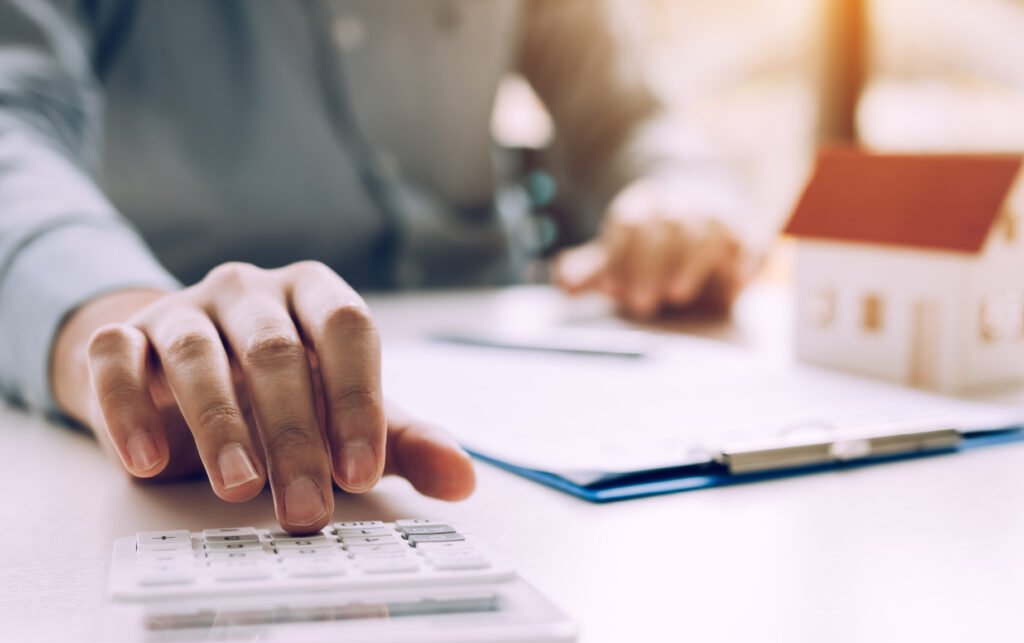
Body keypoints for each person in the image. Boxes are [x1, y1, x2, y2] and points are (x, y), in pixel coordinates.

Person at [0, 0, 752, 531]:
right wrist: (117, 323)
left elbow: (621, 111)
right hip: (226, 395)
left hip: (520, 355)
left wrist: (678, 196)